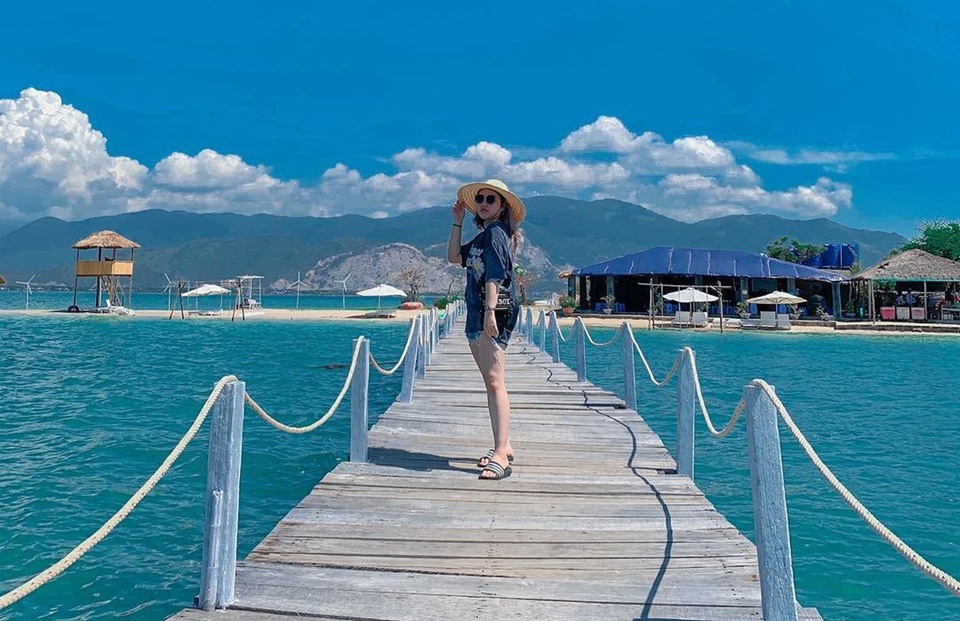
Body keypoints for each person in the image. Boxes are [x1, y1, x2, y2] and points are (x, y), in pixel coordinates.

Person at [447, 179, 524, 480]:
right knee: (491, 380)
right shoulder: (483, 236)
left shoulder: (496, 234)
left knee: (494, 381)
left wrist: (491, 313)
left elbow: (495, 276)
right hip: (478, 310)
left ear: (502, 206)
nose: (484, 203)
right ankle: (504, 445)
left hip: (494, 308)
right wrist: (457, 223)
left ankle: (500, 457)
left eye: (491, 199)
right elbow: (454, 257)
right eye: (480, 198)